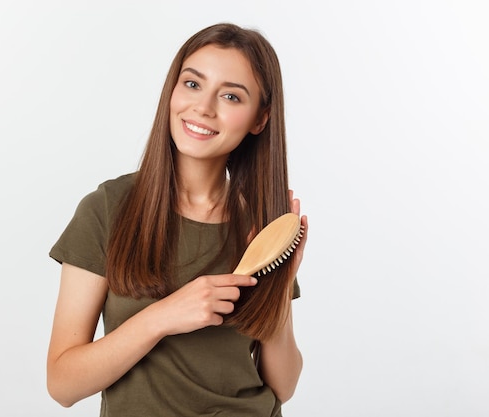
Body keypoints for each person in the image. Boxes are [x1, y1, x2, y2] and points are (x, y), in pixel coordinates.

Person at [47, 22, 309, 416]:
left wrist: (279, 285)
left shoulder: (262, 230)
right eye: (192, 84)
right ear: (172, 90)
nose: (203, 107)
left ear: (259, 119)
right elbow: (62, 384)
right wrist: (163, 316)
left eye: (231, 96)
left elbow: (284, 385)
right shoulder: (107, 209)